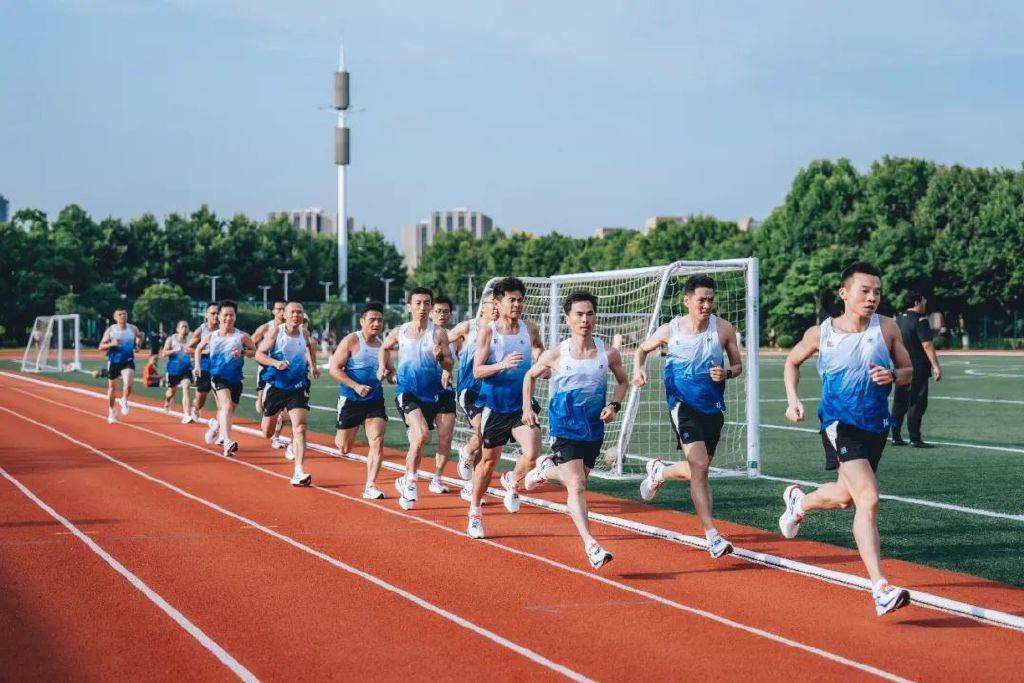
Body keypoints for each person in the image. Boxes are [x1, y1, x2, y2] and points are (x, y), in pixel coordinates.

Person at [778, 261, 914, 617]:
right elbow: (791, 362)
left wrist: (893, 375)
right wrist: (793, 400)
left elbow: (909, 372)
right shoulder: (821, 333)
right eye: (864, 291)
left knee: (844, 498)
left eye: (877, 292)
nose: (872, 298)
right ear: (844, 294)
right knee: (868, 497)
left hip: (875, 425)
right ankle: (880, 588)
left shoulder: (887, 328)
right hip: (839, 424)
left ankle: (799, 503)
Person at [633, 274, 743, 559]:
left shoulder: (723, 329)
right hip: (682, 405)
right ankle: (712, 536)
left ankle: (659, 472)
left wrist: (727, 373)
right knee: (700, 466)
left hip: (712, 407)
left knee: (699, 469)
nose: (706, 305)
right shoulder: (670, 330)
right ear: (687, 300)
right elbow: (641, 350)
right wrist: (638, 369)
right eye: (701, 300)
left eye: (710, 300)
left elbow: (737, 365)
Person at [516, 291, 629, 566]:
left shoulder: (608, 353)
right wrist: (527, 408)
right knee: (576, 484)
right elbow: (529, 376)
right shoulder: (556, 354)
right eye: (578, 314)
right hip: (564, 425)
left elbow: (622, 382)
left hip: (593, 427)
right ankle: (591, 545)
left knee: (579, 479)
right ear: (568, 319)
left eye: (589, 314)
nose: (584, 320)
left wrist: (614, 405)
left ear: (595, 317)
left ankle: (545, 470)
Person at [469, 277, 545, 519]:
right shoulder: (488, 332)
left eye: (520, 300)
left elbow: (538, 347)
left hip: (522, 406)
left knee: (532, 454)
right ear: (498, 303)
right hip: (495, 407)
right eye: (511, 300)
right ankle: (474, 510)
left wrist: (542, 365)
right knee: (488, 462)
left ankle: (511, 481)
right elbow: (477, 371)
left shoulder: (529, 328)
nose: (517, 305)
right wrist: (502, 364)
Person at [378, 287, 454, 510]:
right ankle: (410, 481)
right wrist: (385, 368)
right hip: (408, 392)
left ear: (431, 307)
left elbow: (450, 364)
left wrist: (441, 358)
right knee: (421, 435)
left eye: (427, 303)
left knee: (438, 437)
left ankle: (433, 478)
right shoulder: (400, 331)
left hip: (436, 393)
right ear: (409, 307)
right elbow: (384, 347)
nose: (422, 307)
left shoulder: (438, 333)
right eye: (418, 303)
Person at [256, 301, 319, 486]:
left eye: (299, 312)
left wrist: (312, 366)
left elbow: (308, 348)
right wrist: (275, 363)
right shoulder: (276, 332)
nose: (295, 315)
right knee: (267, 432)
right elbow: (259, 354)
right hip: (276, 385)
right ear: (284, 315)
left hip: (297, 386)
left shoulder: (304, 333)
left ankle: (298, 470)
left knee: (300, 427)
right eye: (292, 312)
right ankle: (275, 418)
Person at [331, 302, 388, 499]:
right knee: (344, 447)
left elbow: (390, 372)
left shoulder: (382, 346)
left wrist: (388, 374)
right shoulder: (352, 340)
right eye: (372, 320)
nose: (376, 323)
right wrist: (355, 386)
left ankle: (370, 485)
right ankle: (343, 437)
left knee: (377, 440)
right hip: (351, 400)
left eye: (380, 320)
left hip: (374, 401)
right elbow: (334, 369)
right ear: (362, 321)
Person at [447, 294, 498, 502]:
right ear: (483, 306)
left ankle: (470, 478)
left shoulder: (502, 330)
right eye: (492, 303)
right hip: (469, 390)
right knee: (483, 432)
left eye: (498, 303)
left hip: (492, 391)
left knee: (486, 438)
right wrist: (446, 365)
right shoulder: (468, 327)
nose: (496, 307)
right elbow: (443, 341)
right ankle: (469, 453)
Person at [192, 300, 257, 457]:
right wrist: (197, 366)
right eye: (225, 315)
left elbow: (255, 351)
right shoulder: (212, 336)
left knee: (228, 410)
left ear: (235, 317)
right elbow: (198, 348)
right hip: (218, 377)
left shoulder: (242, 336)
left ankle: (216, 427)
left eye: (231, 315)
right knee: (226, 406)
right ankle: (227, 441)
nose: (228, 318)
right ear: (220, 317)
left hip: (236, 379)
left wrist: (242, 353)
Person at [891, 292, 942, 447]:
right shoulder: (921, 320)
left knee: (899, 403)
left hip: (900, 367)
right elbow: (926, 344)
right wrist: (936, 366)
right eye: (923, 302)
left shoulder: (897, 320)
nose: (924, 305)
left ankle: (895, 437)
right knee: (916, 403)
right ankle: (915, 438)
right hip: (917, 367)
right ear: (916, 302)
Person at [426, 295, 458, 494]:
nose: (442, 315)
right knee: (421, 438)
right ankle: (409, 475)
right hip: (422, 393)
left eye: (446, 311)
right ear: (431, 313)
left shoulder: (454, 338)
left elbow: (459, 360)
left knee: (446, 437)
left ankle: (436, 478)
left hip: (445, 391)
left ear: (450, 315)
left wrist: (448, 369)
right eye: (438, 311)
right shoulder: (422, 335)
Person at [97, 309, 145, 424]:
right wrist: (112, 344)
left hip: (128, 360)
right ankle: (111, 411)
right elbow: (101, 346)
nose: (123, 316)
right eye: (120, 314)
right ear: (115, 317)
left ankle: (124, 399)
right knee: (112, 389)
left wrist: (138, 345)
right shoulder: (111, 330)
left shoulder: (132, 328)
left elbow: (141, 335)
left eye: (124, 314)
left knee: (128, 384)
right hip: (114, 362)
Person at [186, 304, 220, 423]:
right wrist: (204, 351)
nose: (216, 316)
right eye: (213, 313)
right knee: (202, 395)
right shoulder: (201, 330)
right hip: (204, 365)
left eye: (218, 313)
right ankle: (196, 408)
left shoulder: (224, 328)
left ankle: (222, 419)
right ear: (206, 315)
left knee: (222, 395)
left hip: (220, 365)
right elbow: (188, 349)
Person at [252, 301, 287, 414]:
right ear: (273, 311)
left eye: (284, 309)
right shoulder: (265, 328)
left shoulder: (291, 327)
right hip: (266, 367)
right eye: (279, 309)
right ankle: (261, 402)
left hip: (285, 368)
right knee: (262, 406)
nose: (282, 312)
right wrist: (258, 356)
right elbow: (251, 343)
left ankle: (281, 419)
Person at [161, 320, 195, 422]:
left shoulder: (191, 339)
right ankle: (167, 400)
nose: (185, 329)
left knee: (186, 387)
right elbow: (163, 353)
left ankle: (187, 415)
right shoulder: (171, 339)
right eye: (183, 327)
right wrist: (173, 351)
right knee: (171, 392)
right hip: (173, 370)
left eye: (186, 327)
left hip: (186, 369)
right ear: (177, 329)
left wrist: (191, 353)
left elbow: (196, 351)